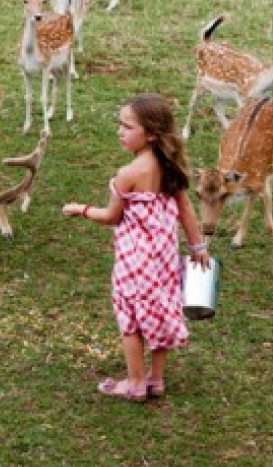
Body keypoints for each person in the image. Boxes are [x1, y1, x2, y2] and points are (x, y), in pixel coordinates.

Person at [62, 93, 210, 403]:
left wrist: (81, 209)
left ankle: (134, 383)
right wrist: (198, 246)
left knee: (130, 319)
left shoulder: (127, 175)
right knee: (159, 310)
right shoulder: (170, 168)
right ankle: (156, 379)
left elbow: (111, 216)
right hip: (164, 260)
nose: (120, 131)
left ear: (152, 134)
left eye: (128, 127)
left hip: (134, 262)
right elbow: (186, 209)